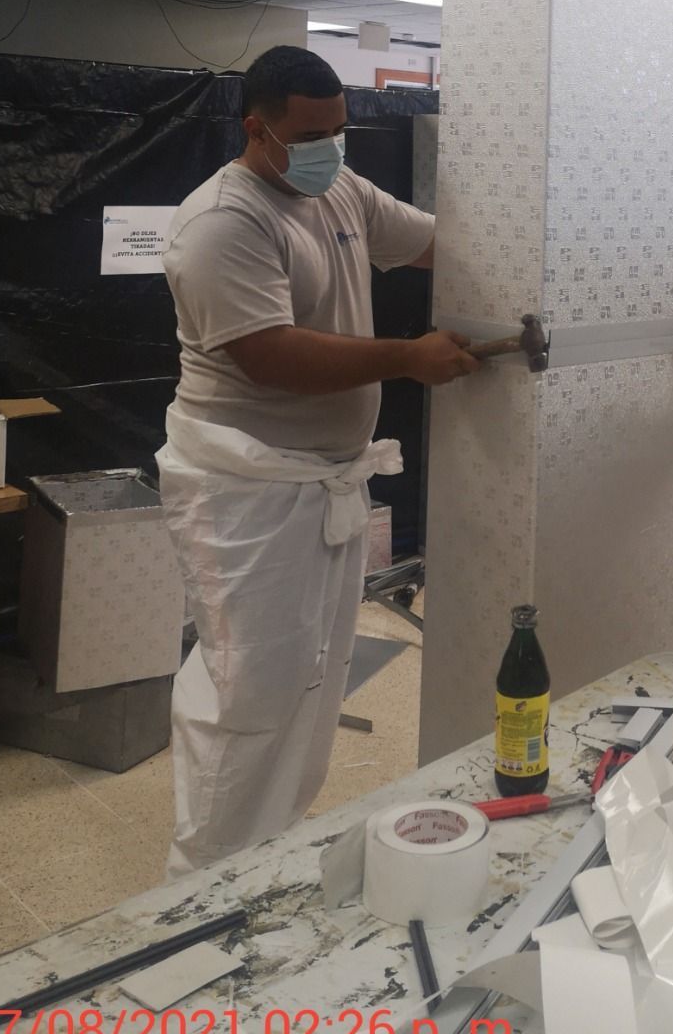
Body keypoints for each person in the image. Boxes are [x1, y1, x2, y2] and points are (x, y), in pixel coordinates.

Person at [158, 46, 478, 878]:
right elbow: (271, 357)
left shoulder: (334, 188)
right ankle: (206, 881)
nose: (329, 147)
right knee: (249, 691)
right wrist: (408, 357)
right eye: (309, 133)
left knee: (311, 682)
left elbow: (435, 245)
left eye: (339, 130)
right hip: (244, 488)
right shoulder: (222, 222)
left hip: (320, 481)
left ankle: (265, 852)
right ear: (255, 129)